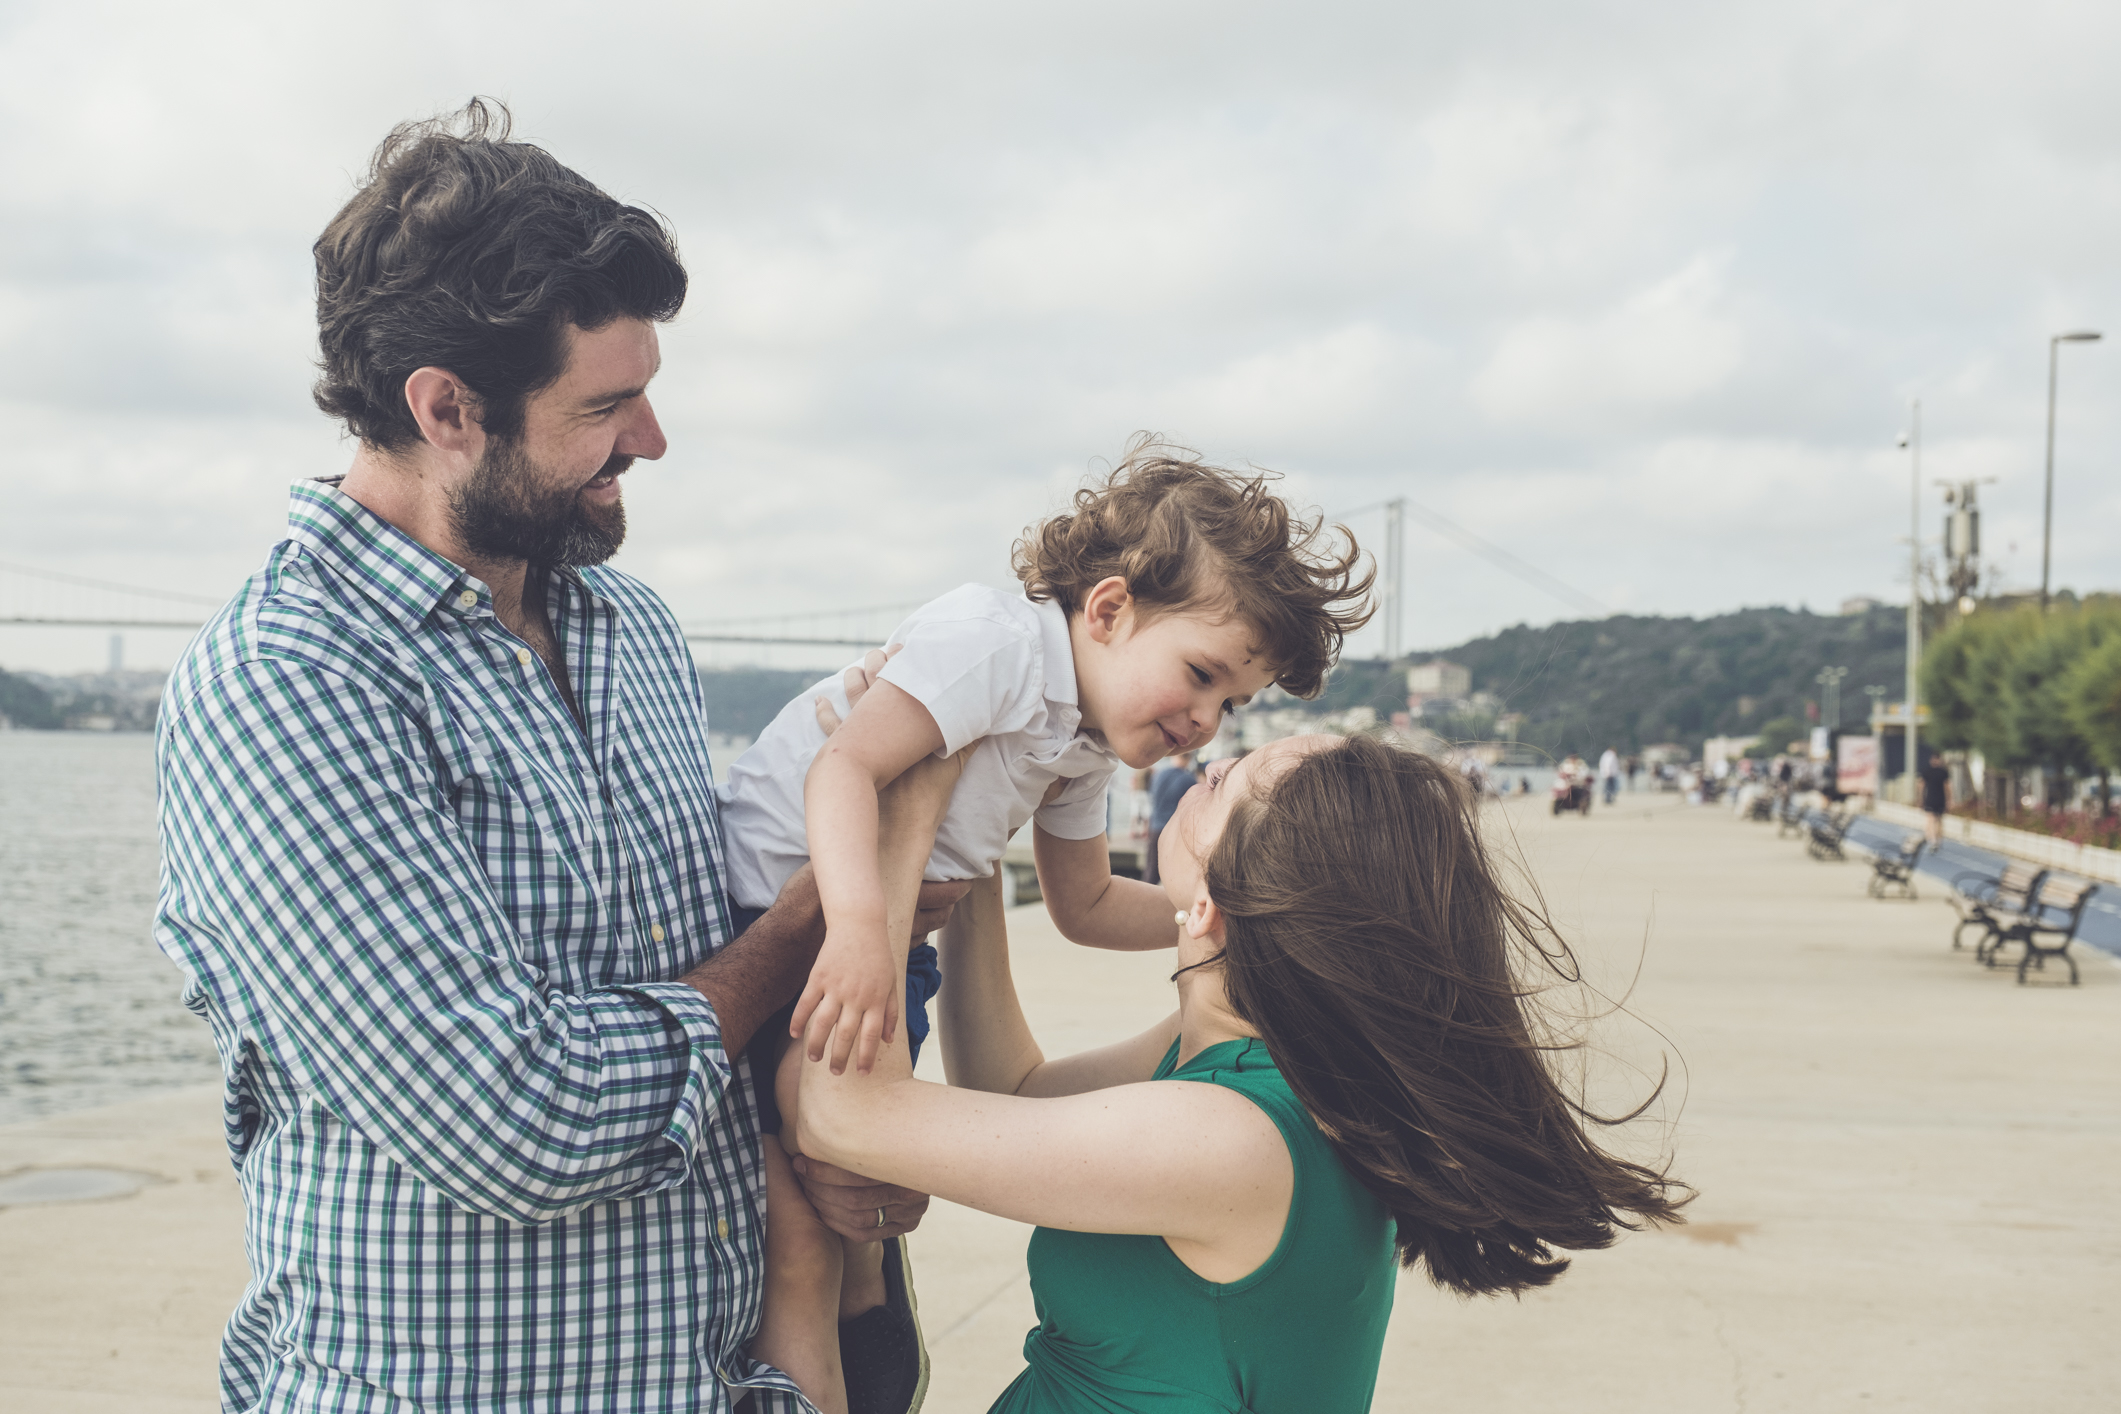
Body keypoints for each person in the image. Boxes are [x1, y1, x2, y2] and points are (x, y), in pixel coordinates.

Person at [151, 101, 965, 1414]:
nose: (651, 439)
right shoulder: (284, 685)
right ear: (446, 407)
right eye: (609, 404)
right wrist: (810, 918)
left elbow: (703, 971)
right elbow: (517, 1119)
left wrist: (847, 1123)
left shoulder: (630, 624)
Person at [768, 723, 1689, 1411]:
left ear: (1208, 901)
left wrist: (906, 806)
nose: (1201, 768)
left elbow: (843, 1113)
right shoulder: (1251, 1065)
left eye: (1219, 787)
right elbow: (1013, 1091)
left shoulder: (1232, 1138)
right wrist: (966, 853)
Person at [716, 446, 1373, 1408]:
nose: (1206, 726)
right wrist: (862, 927)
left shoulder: (1081, 748)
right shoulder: (990, 644)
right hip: (788, 910)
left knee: (846, 1192)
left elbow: (1089, 906)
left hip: (879, 938)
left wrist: (1256, 920)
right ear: (1107, 610)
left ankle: (854, 1348)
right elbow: (844, 771)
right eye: (1199, 677)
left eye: (1230, 704)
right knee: (811, 1194)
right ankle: (833, 1343)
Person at [1143, 749, 1198, 884]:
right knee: (1175, 874)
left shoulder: (1158, 775)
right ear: (1188, 759)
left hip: (1155, 827)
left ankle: (1143, 902)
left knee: (1151, 872)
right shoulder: (1189, 779)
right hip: (1173, 831)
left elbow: (1152, 800)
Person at [1919, 747, 1951, 849]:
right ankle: (1936, 839)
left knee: (1932, 819)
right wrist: (1949, 800)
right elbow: (1948, 788)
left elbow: (1921, 786)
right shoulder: (1942, 772)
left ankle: (1932, 839)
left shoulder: (1928, 771)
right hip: (1937, 799)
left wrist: (1920, 799)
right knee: (1937, 820)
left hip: (1932, 799)